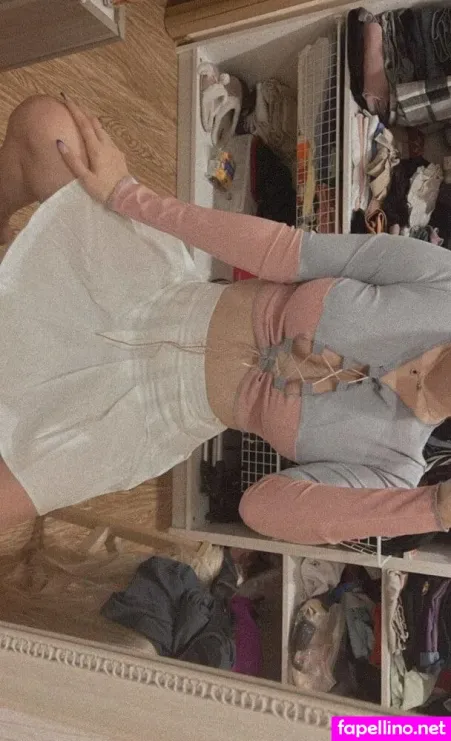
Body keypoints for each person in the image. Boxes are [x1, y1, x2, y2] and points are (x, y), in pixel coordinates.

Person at [1, 93, 451, 544]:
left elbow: (261, 508)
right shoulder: (443, 285)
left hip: (139, 420)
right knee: (47, 127)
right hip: (153, 294)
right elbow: (284, 251)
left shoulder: (396, 470)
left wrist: (432, 509)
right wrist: (129, 197)